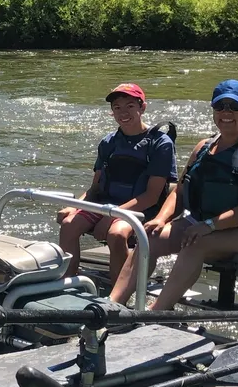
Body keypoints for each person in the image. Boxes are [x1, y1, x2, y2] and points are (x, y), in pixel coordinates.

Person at [110, 80, 238, 311]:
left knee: (197, 244)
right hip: (206, 221)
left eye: (233, 107)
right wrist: (161, 218)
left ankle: (156, 312)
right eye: (220, 107)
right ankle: (112, 306)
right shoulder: (204, 146)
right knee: (150, 238)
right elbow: (181, 190)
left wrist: (209, 225)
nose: (226, 113)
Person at [57, 83, 176, 287]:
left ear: (142, 107)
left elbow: (152, 196)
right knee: (68, 224)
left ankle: (118, 292)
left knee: (117, 233)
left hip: (141, 209)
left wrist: (114, 215)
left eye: (130, 106)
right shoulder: (108, 142)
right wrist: (77, 206)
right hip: (105, 205)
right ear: (112, 112)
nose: (123, 112)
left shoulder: (160, 143)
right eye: (117, 108)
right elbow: (95, 189)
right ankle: (66, 282)